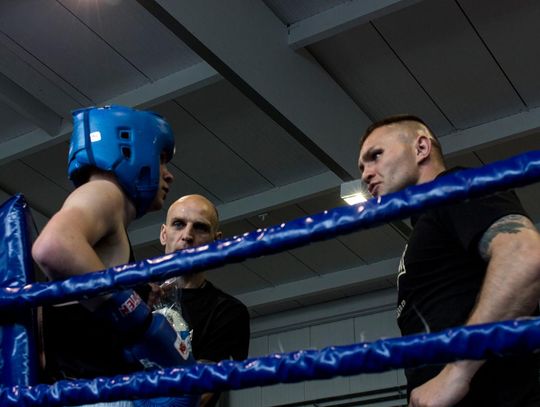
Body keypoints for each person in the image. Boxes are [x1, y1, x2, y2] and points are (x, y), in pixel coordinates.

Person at [357, 115, 540, 407]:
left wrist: (456, 373)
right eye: (362, 167)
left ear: (421, 148)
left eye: (375, 155)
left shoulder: (457, 187)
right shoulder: (427, 225)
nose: (366, 174)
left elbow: (524, 255)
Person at [33, 105, 198, 406]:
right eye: (161, 159)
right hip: (88, 393)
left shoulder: (110, 211)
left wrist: (135, 295)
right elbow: (53, 246)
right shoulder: (104, 191)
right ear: (129, 149)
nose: (169, 175)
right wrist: (132, 309)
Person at [159, 194, 250, 407]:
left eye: (200, 228)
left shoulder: (227, 311)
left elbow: (199, 395)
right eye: (178, 224)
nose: (187, 235)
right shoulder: (135, 296)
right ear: (164, 234)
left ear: (216, 241)